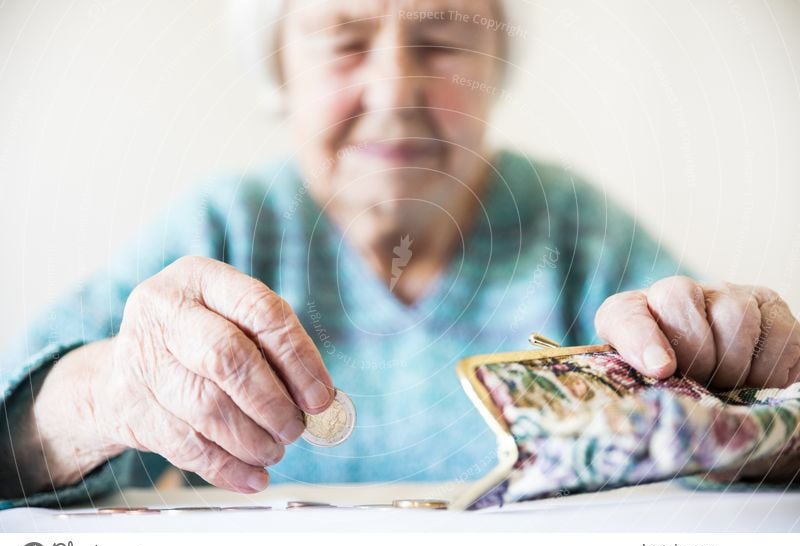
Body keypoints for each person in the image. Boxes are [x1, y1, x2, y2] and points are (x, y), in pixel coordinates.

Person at [1, 0, 798, 509]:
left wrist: (746, 402)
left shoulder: (573, 230)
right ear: (281, 74)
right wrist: (97, 398)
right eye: (345, 41)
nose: (394, 91)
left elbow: (743, 430)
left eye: (445, 41)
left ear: (495, 69)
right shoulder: (224, 230)